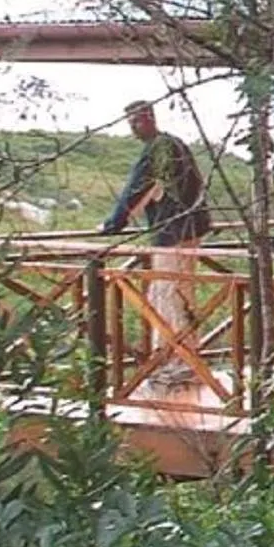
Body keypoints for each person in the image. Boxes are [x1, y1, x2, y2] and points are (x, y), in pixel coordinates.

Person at [100, 99, 213, 390]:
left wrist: (112, 225)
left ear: (150, 118)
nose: (134, 128)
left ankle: (176, 362)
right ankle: (182, 360)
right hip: (189, 229)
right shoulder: (173, 144)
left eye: (137, 122)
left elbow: (137, 189)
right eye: (131, 123)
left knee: (167, 296)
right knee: (178, 294)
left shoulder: (158, 150)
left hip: (173, 233)